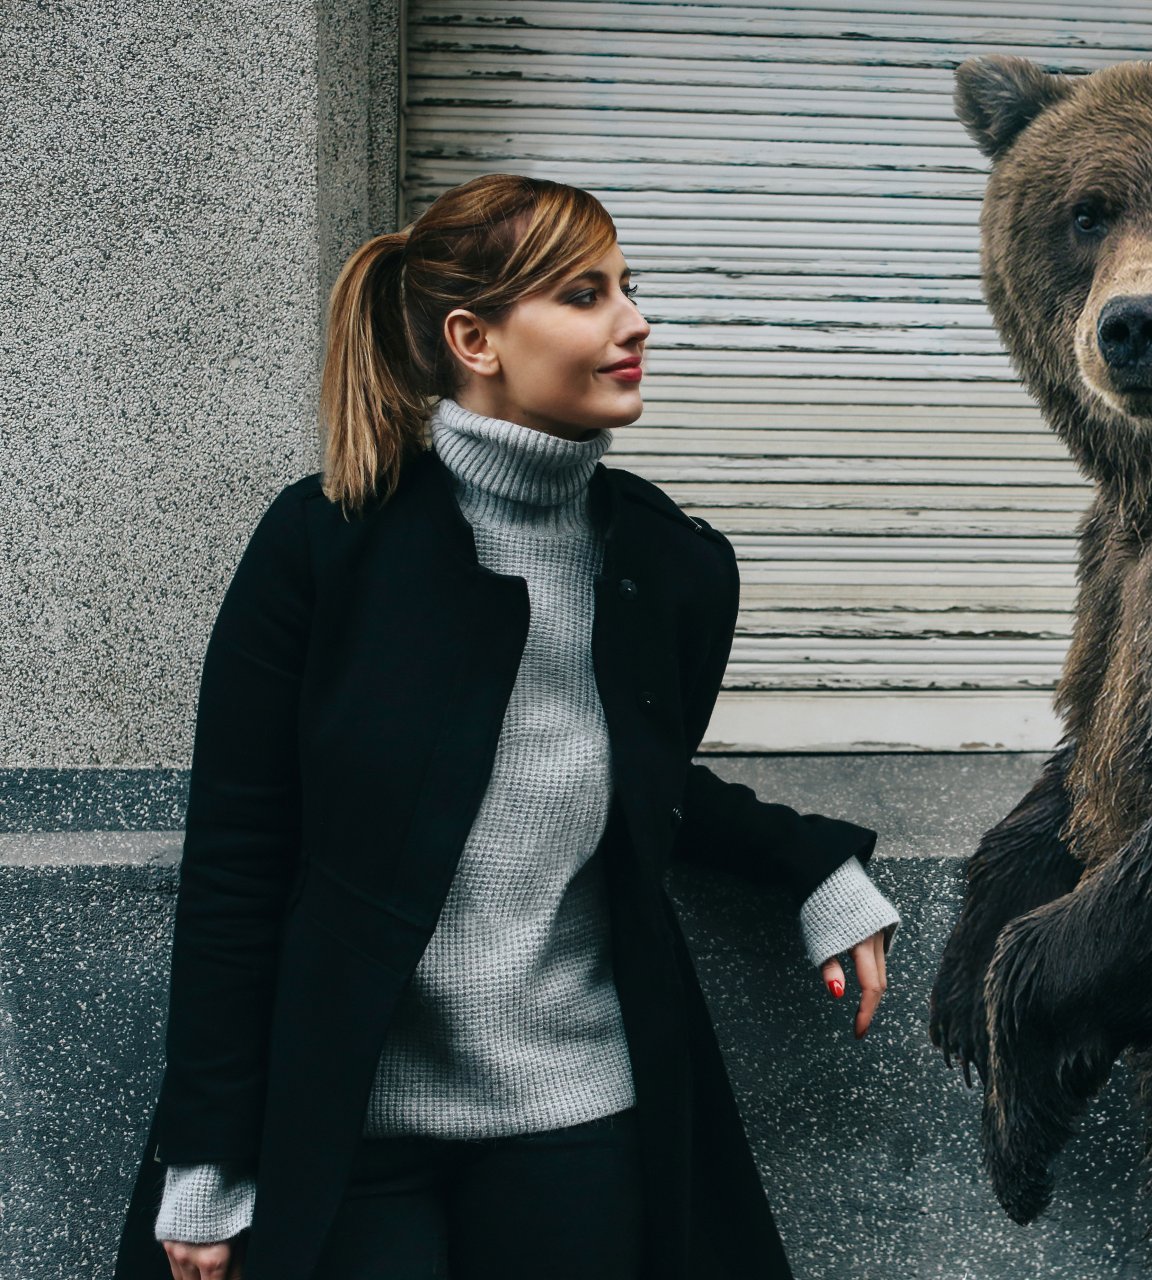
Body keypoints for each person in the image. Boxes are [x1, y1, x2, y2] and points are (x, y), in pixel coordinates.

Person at [113, 173, 900, 1280]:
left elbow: (636, 783)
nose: (635, 322)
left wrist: (814, 861)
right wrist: (205, 1154)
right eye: (585, 294)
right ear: (474, 337)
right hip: (350, 1134)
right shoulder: (325, 546)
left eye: (629, 288)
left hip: (577, 1121)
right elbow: (237, 860)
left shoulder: (664, 567)